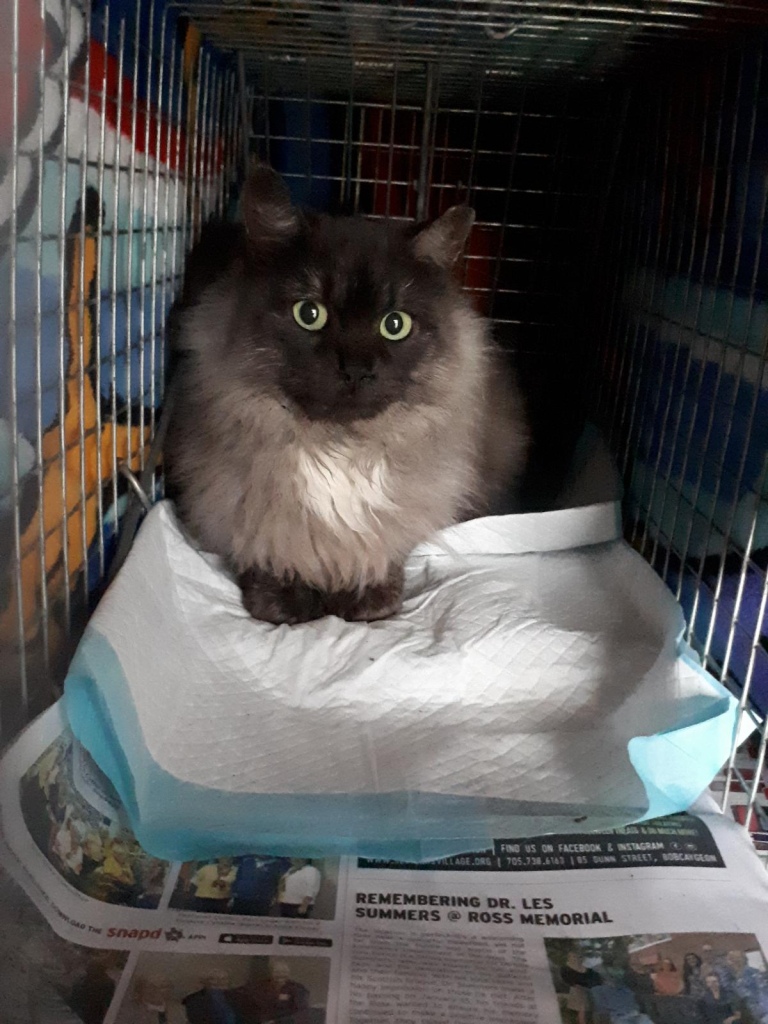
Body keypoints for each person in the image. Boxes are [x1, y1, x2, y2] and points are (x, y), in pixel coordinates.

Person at [241, 960, 310, 1022]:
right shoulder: (260, 987)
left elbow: (301, 1013)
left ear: (289, 973)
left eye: (284, 972)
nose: (281, 975)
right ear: (270, 973)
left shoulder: (298, 989)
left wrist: (277, 1022)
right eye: (277, 972)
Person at [724, 950, 768, 1023]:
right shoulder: (735, 979)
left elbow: (763, 992)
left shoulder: (752, 973)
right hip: (754, 1015)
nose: (728, 964)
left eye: (729, 960)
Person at [560, 951, 602, 1024]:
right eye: (574, 956)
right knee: (582, 1006)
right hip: (577, 991)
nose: (578, 958)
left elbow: (596, 980)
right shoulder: (565, 969)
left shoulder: (589, 970)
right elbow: (567, 980)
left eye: (580, 957)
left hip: (588, 991)